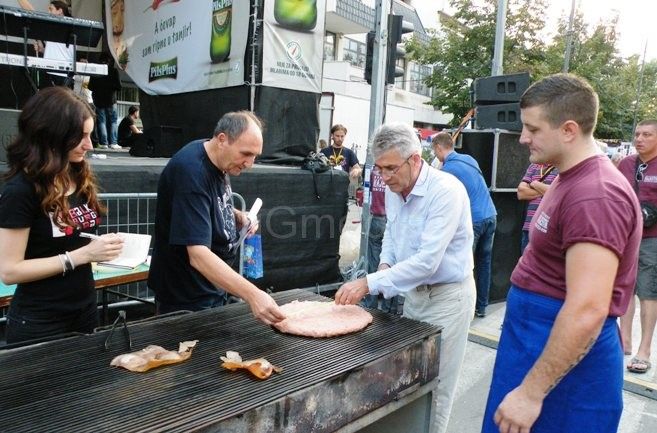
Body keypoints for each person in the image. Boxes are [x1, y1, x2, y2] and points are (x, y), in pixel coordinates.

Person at [481, 74, 642, 433]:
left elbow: (587, 309)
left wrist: (531, 393)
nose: (523, 139)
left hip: (564, 367)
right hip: (533, 341)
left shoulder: (595, 196)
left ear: (569, 130)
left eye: (532, 129)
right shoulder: (568, 176)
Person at [335, 122, 475, 433]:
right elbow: (391, 236)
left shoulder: (446, 191)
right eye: (380, 169)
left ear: (414, 159)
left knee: (437, 386)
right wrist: (384, 266)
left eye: (390, 168)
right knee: (411, 379)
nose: (384, 177)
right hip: (415, 296)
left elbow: (427, 262)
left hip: (447, 299)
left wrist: (369, 282)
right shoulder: (398, 187)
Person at [0, 87, 124, 345]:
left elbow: (75, 239)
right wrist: (83, 255)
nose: (89, 145)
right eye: (82, 136)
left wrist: (104, 249)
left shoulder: (77, 177)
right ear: (54, 135)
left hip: (84, 311)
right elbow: (10, 271)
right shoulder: (21, 190)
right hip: (40, 322)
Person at [148, 111, 286, 325]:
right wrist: (253, 294)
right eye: (246, 153)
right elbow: (198, 255)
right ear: (222, 140)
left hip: (210, 289)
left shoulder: (216, 158)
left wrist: (236, 216)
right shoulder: (191, 172)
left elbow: (203, 206)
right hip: (186, 299)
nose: (249, 163)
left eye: (255, 156)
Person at [432, 131, 497, 317]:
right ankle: (482, 307)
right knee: (485, 263)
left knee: (466, 266)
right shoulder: (470, 159)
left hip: (474, 220)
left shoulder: (446, 171)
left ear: (438, 147)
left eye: (435, 152)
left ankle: (464, 311)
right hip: (491, 215)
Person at [618, 119, 657, 373]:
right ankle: (625, 341)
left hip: (652, 238)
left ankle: (645, 349)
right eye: (637, 134)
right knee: (625, 288)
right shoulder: (626, 163)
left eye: (647, 135)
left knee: (648, 291)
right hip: (625, 235)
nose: (640, 138)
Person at [18, 0, 74, 89]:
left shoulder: (68, 25)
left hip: (62, 75)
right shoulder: (54, 27)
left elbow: (32, 13)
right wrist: (44, 50)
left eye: (50, 9)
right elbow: (60, 51)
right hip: (50, 72)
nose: (48, 12)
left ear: (60, 11)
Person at [517, 162, 558, 253]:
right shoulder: (533, 166)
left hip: (547, 229)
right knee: (526, 264)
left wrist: (535, 184)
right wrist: (546, 190)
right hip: (529, 227)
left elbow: (559, 192)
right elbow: (521, 193)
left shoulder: (561, 166)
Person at [89, 53, 122, 150]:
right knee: (113, 121)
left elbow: (90, 87)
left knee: (101, 121)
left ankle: (104, 143)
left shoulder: (96, 71)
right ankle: (113, 143)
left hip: (98, 100)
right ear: (110, 61)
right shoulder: (113, 71)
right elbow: (119, 86)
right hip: (111, 99)